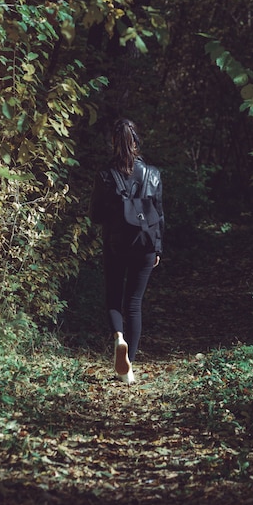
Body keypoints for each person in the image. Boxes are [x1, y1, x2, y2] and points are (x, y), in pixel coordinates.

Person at [89, 117, 164, 385]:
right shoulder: (153, 174)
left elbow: (95, 215)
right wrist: (158, 247)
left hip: (115, 242)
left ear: (113, 142)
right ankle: (128, 366)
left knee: (113, 298)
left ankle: (118, 338)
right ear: (136, 141)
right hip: (145, 244)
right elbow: (160, 214)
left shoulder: (105, 175)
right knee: (134, 303)